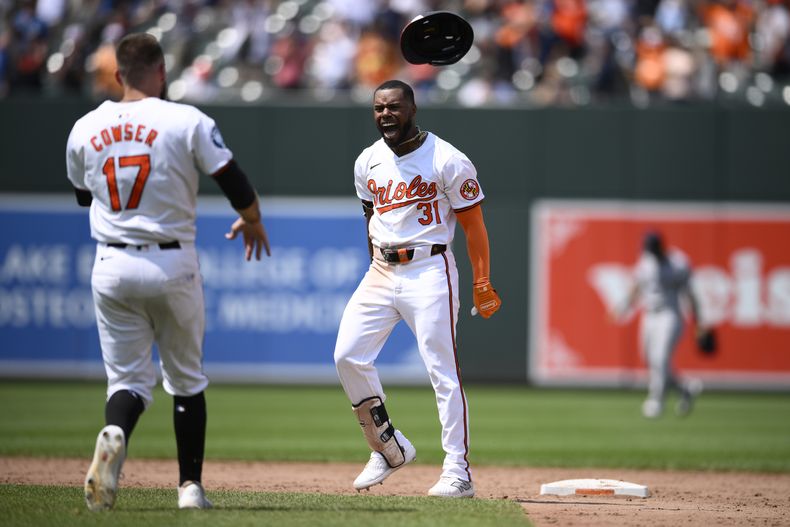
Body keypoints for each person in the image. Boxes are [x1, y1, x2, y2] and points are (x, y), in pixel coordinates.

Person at [65, 32, 271, 511]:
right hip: (171, 258)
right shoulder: (186, 119)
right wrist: (254, 219)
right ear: (162, 72)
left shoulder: (84, 127)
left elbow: (82, 195)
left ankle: (115, 431)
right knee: (185, 380)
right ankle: (189, 489)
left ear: (117, 75)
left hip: (111, 261)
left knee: (127, 383)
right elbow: (232, 180)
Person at [333, 79, 501, 499]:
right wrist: (374, 263)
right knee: (348, 356)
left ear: (411, 108)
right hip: (381, 268)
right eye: (377, 108)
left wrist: (482, 280)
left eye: (392, 107)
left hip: (429, 269)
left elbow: (474, 225)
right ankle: (388, 447)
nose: (385, 114)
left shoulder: (447, 159)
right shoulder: (367, 161)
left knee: (442, 372)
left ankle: (457, 471)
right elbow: (369, 219)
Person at [612, 231, 705, 419]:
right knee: (650, 360)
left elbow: (690, 294)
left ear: (660, 246)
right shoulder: (645, 262)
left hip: (669, 314)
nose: (650, 252)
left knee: (660, 358)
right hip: (649, 315)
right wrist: (623, 306)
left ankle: (656, 401)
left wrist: (698, 321)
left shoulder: (678, 263)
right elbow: (637, 287)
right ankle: (684, 388)